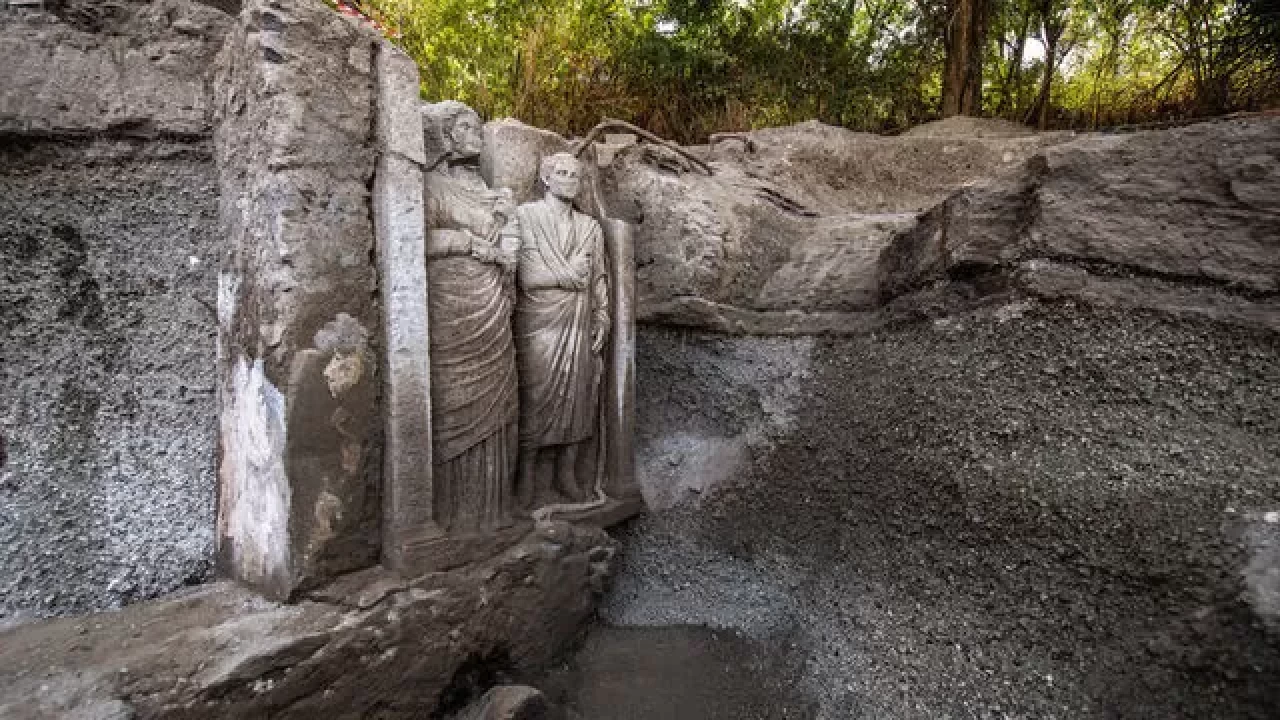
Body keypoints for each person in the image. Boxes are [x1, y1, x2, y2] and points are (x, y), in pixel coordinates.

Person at [423, 102, 521, 532]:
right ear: (445, 135)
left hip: (494, 302)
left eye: (478, 127)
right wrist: (467, 241)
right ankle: (453, 514)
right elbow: (420, 239)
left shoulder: (490, 192)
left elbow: (512, 249)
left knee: (499, 400)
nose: (475, 134)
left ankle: (493, 510)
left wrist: (505, 224)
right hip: (453, 303)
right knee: (455, 400)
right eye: (465, 126)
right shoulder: (430, 186)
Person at [514, 152, 610, 504]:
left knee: (578, 395)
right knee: (535, 396)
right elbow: (529, 277)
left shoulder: (590, 228)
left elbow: (597, 277)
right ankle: (526, 473)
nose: (570, 179)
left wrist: (602, 316)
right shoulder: (527, 216)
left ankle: (567, 472)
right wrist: (570, 276)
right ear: (546, 178)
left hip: (580, 321)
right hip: (538, 323)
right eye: (562, 173)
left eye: (576, 175)